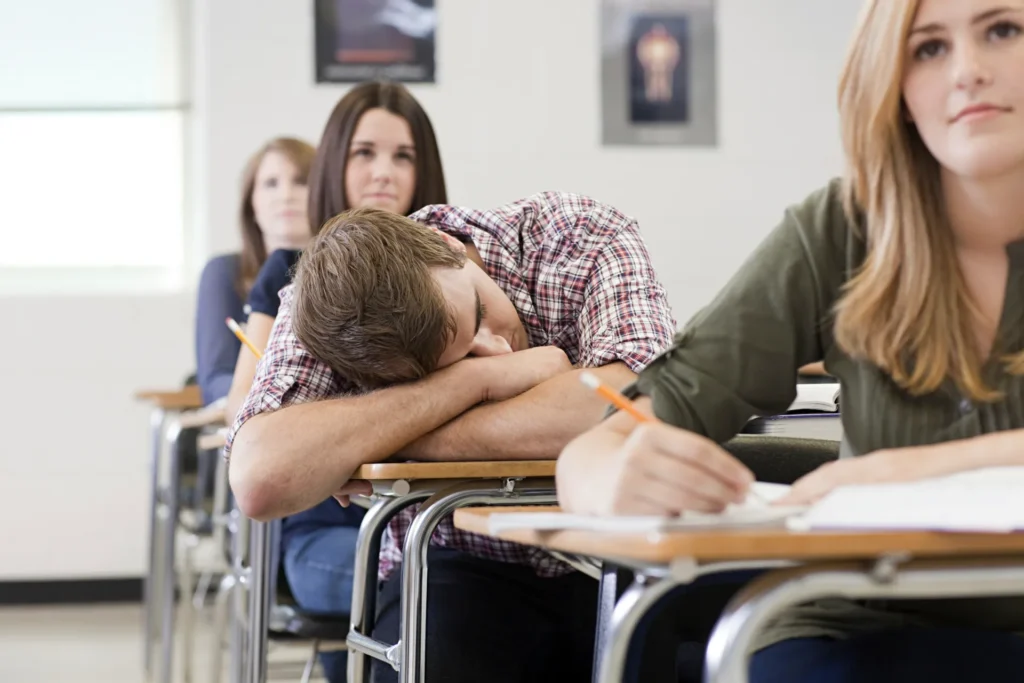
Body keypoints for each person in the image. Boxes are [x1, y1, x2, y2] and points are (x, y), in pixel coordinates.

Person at [558, 0, 1024, 681]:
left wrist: (889, 474)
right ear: (893, 85)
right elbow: (597, 449)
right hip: (851, 624)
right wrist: (611, 483)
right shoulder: (838, 233)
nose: (967, 72)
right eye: (927, 48)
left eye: (1003, 30)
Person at [227, 192, 677, 682]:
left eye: (480, 313)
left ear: (447, 244)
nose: (500, 350)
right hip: (455, 561)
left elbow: (633, 405)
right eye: (460, 359)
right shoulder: (330, 308)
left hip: (615, 551)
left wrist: (384, 434)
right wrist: (473, 384)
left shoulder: (578, 236)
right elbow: (260, 476)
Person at [222, 81, 449, 683]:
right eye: (364, 153)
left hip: (432, 517)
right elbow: (239, 417)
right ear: (333, 163)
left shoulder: (451, 268)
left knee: (468, 577)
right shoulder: (290, 271)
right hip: (327, 530)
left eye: (403, 156)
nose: (384, 173)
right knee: (428, 585)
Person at [194, 137, 315, 406]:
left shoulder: (348, 276)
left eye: (301, 181)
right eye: (271, 183)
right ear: (252, 204)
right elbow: (215, 378)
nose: (286, 195)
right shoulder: (224, 272)